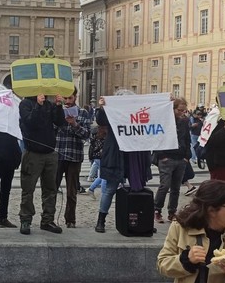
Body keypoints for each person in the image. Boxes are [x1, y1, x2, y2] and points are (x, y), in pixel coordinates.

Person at [92, 93, 152, 233]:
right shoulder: (113, 112)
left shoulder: (136, 111)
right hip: (116, 153)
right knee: (110, 189)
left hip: (134, 154)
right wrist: (102, 107)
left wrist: (168, 103)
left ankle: (141, 219)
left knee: (138, 187)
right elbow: (101, 120)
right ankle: (101, 220)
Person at [18, 91, 66, 235]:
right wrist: (38, 106)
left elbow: (60, 122)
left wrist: (58, 106)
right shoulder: (25, 104)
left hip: (50, 153)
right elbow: (31, 122)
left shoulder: (49, 104)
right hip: (33, 153)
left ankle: (47, 220)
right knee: (28, 189)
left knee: (51, 189)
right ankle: (26, 219)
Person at [54, 88, 90, 228]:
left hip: (75, 156)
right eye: (65, 98)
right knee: (52, 188)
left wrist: (75, 124)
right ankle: (48, 218)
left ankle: (70, 219)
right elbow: (51, 129)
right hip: (58, 154)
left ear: (75, 97)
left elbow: (87, 135)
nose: (67, 101)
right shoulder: (58, 111)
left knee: (72, 191)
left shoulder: (83, 113)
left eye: (70, 98)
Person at [153, 97, 191, 224]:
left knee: (176, 188)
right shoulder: (165, 120)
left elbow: (187, 139)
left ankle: (172, 212)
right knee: (165, 185)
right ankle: (157, 210)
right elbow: (157, 137)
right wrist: (161, 155)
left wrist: (187, 156)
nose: (182, 113)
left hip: (181, 158)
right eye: (180, 110)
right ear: (173, 109)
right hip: (167, 157)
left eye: (184, 111)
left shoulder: (185, 121)